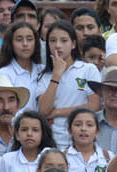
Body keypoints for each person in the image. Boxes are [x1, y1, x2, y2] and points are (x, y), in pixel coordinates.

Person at [39, 20, 102, 150]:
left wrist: (56, 112)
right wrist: (56, 75)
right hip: (53, 142)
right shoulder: (44, 76)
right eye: (52, 41)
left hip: (82, 141)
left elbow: (94, 106)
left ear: (73, 44)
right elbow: (44, 110)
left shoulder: (88, 69)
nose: (58, 45)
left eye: (64, 40)